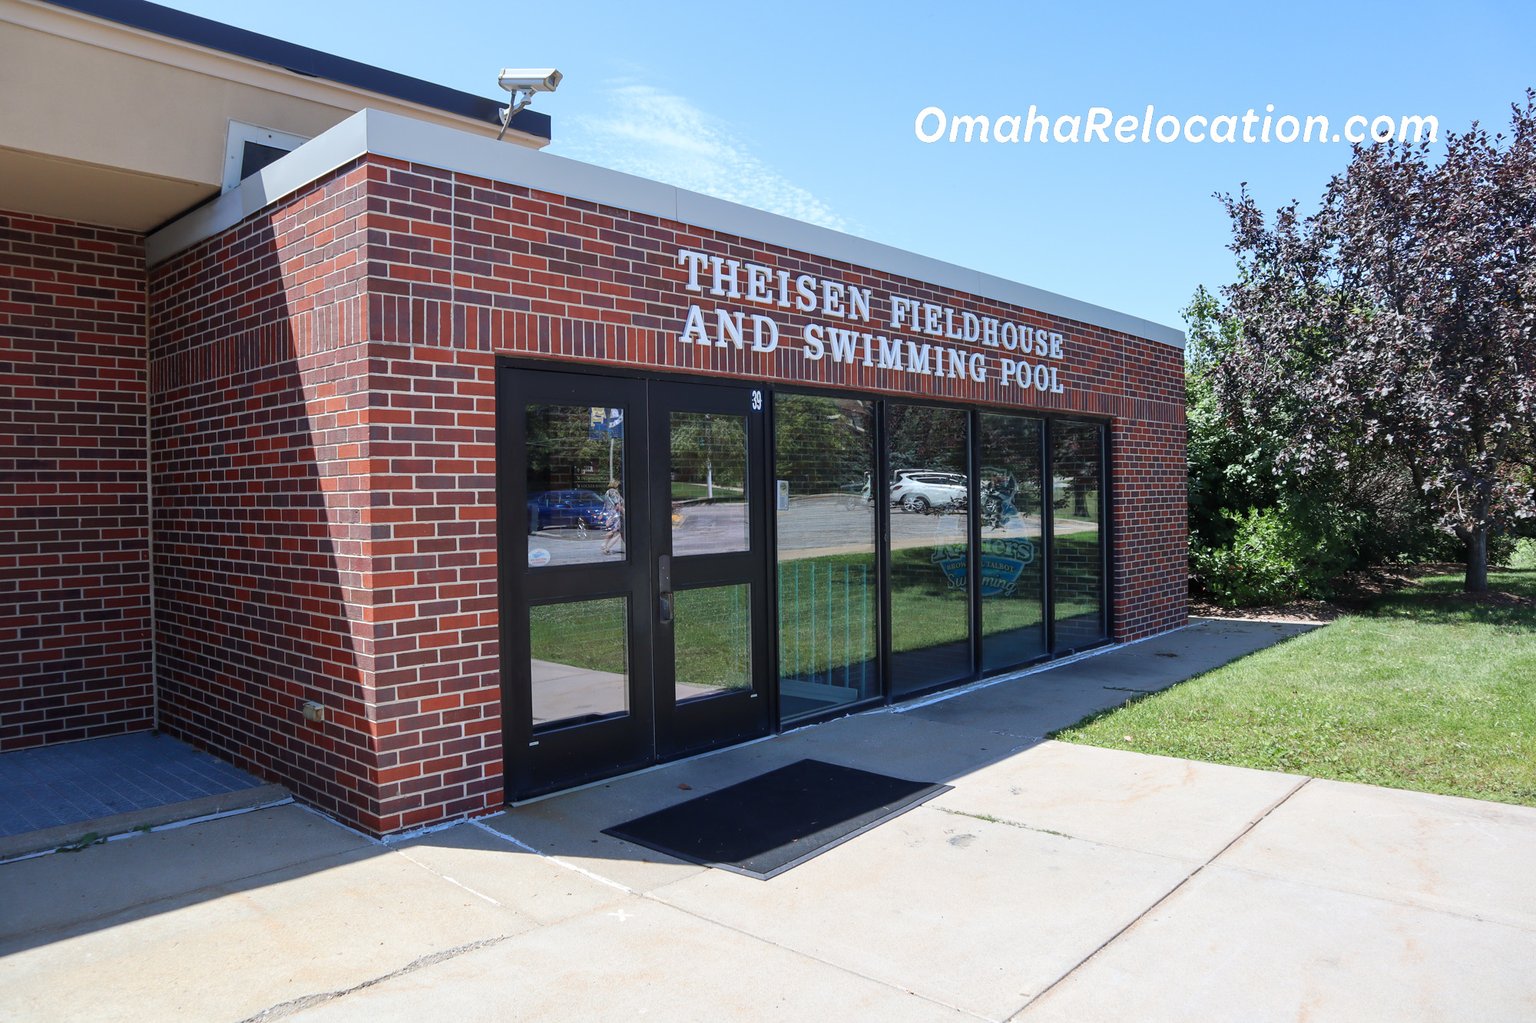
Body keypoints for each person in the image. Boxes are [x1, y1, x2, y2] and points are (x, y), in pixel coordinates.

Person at [600, 480, 624, 555]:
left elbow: (605, 504)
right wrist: (623, 511)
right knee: (619, 532)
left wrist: (602, 514)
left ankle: (604, 544)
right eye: (618, 485)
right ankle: (607, 548)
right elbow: (617, 505)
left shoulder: (607, 492)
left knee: (615, 531)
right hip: (616, 514)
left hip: (610, 514)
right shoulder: (614, 492)